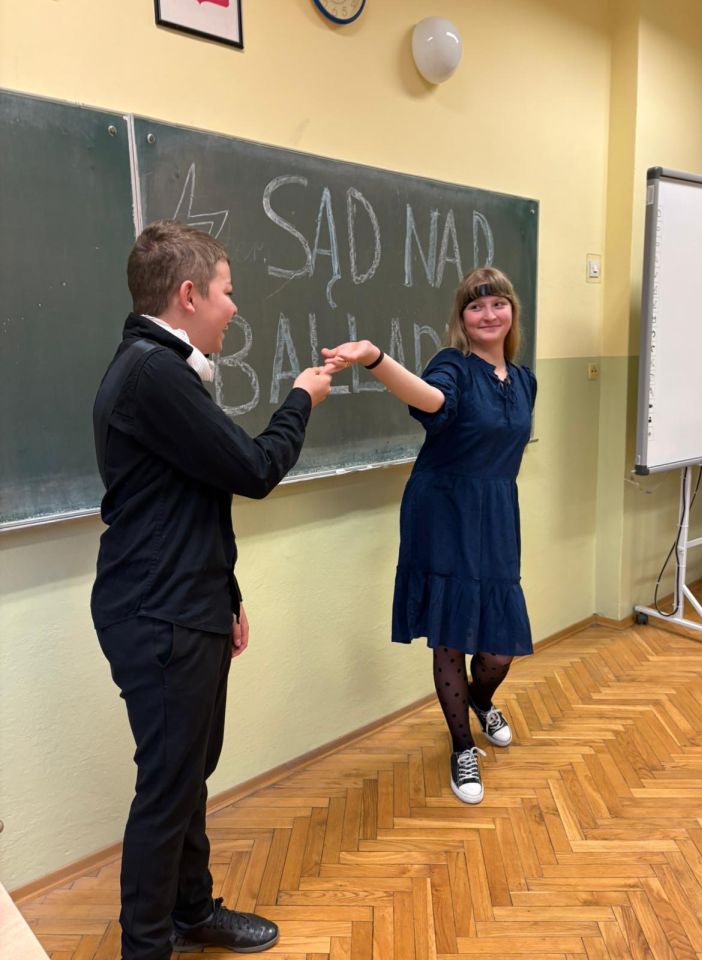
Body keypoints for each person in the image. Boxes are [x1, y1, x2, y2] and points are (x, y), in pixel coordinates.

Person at [91, 219, 333, 960]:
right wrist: (301, 398)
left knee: (188, 772)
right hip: (158, 613)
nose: (234, 307)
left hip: (183, 603)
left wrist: (224, 595)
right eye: (228, 292)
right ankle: (146, 947)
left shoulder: (162, 367)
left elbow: (192, 498)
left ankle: (192, 911)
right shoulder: (154, 373)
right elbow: (253, 470)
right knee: (169, 787)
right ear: (189, 294)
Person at [322, 267, 536, 805]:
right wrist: (375, 358)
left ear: (512, 311)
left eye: (498, 304)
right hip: (443, 510)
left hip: (496, 511)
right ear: (461, 318)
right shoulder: (452, 365)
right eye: (475, 306)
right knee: (452, 634)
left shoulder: (525, 380)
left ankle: (480, 701)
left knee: (498, 650)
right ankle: (462, 747)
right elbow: (431, 400)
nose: (488, 314)